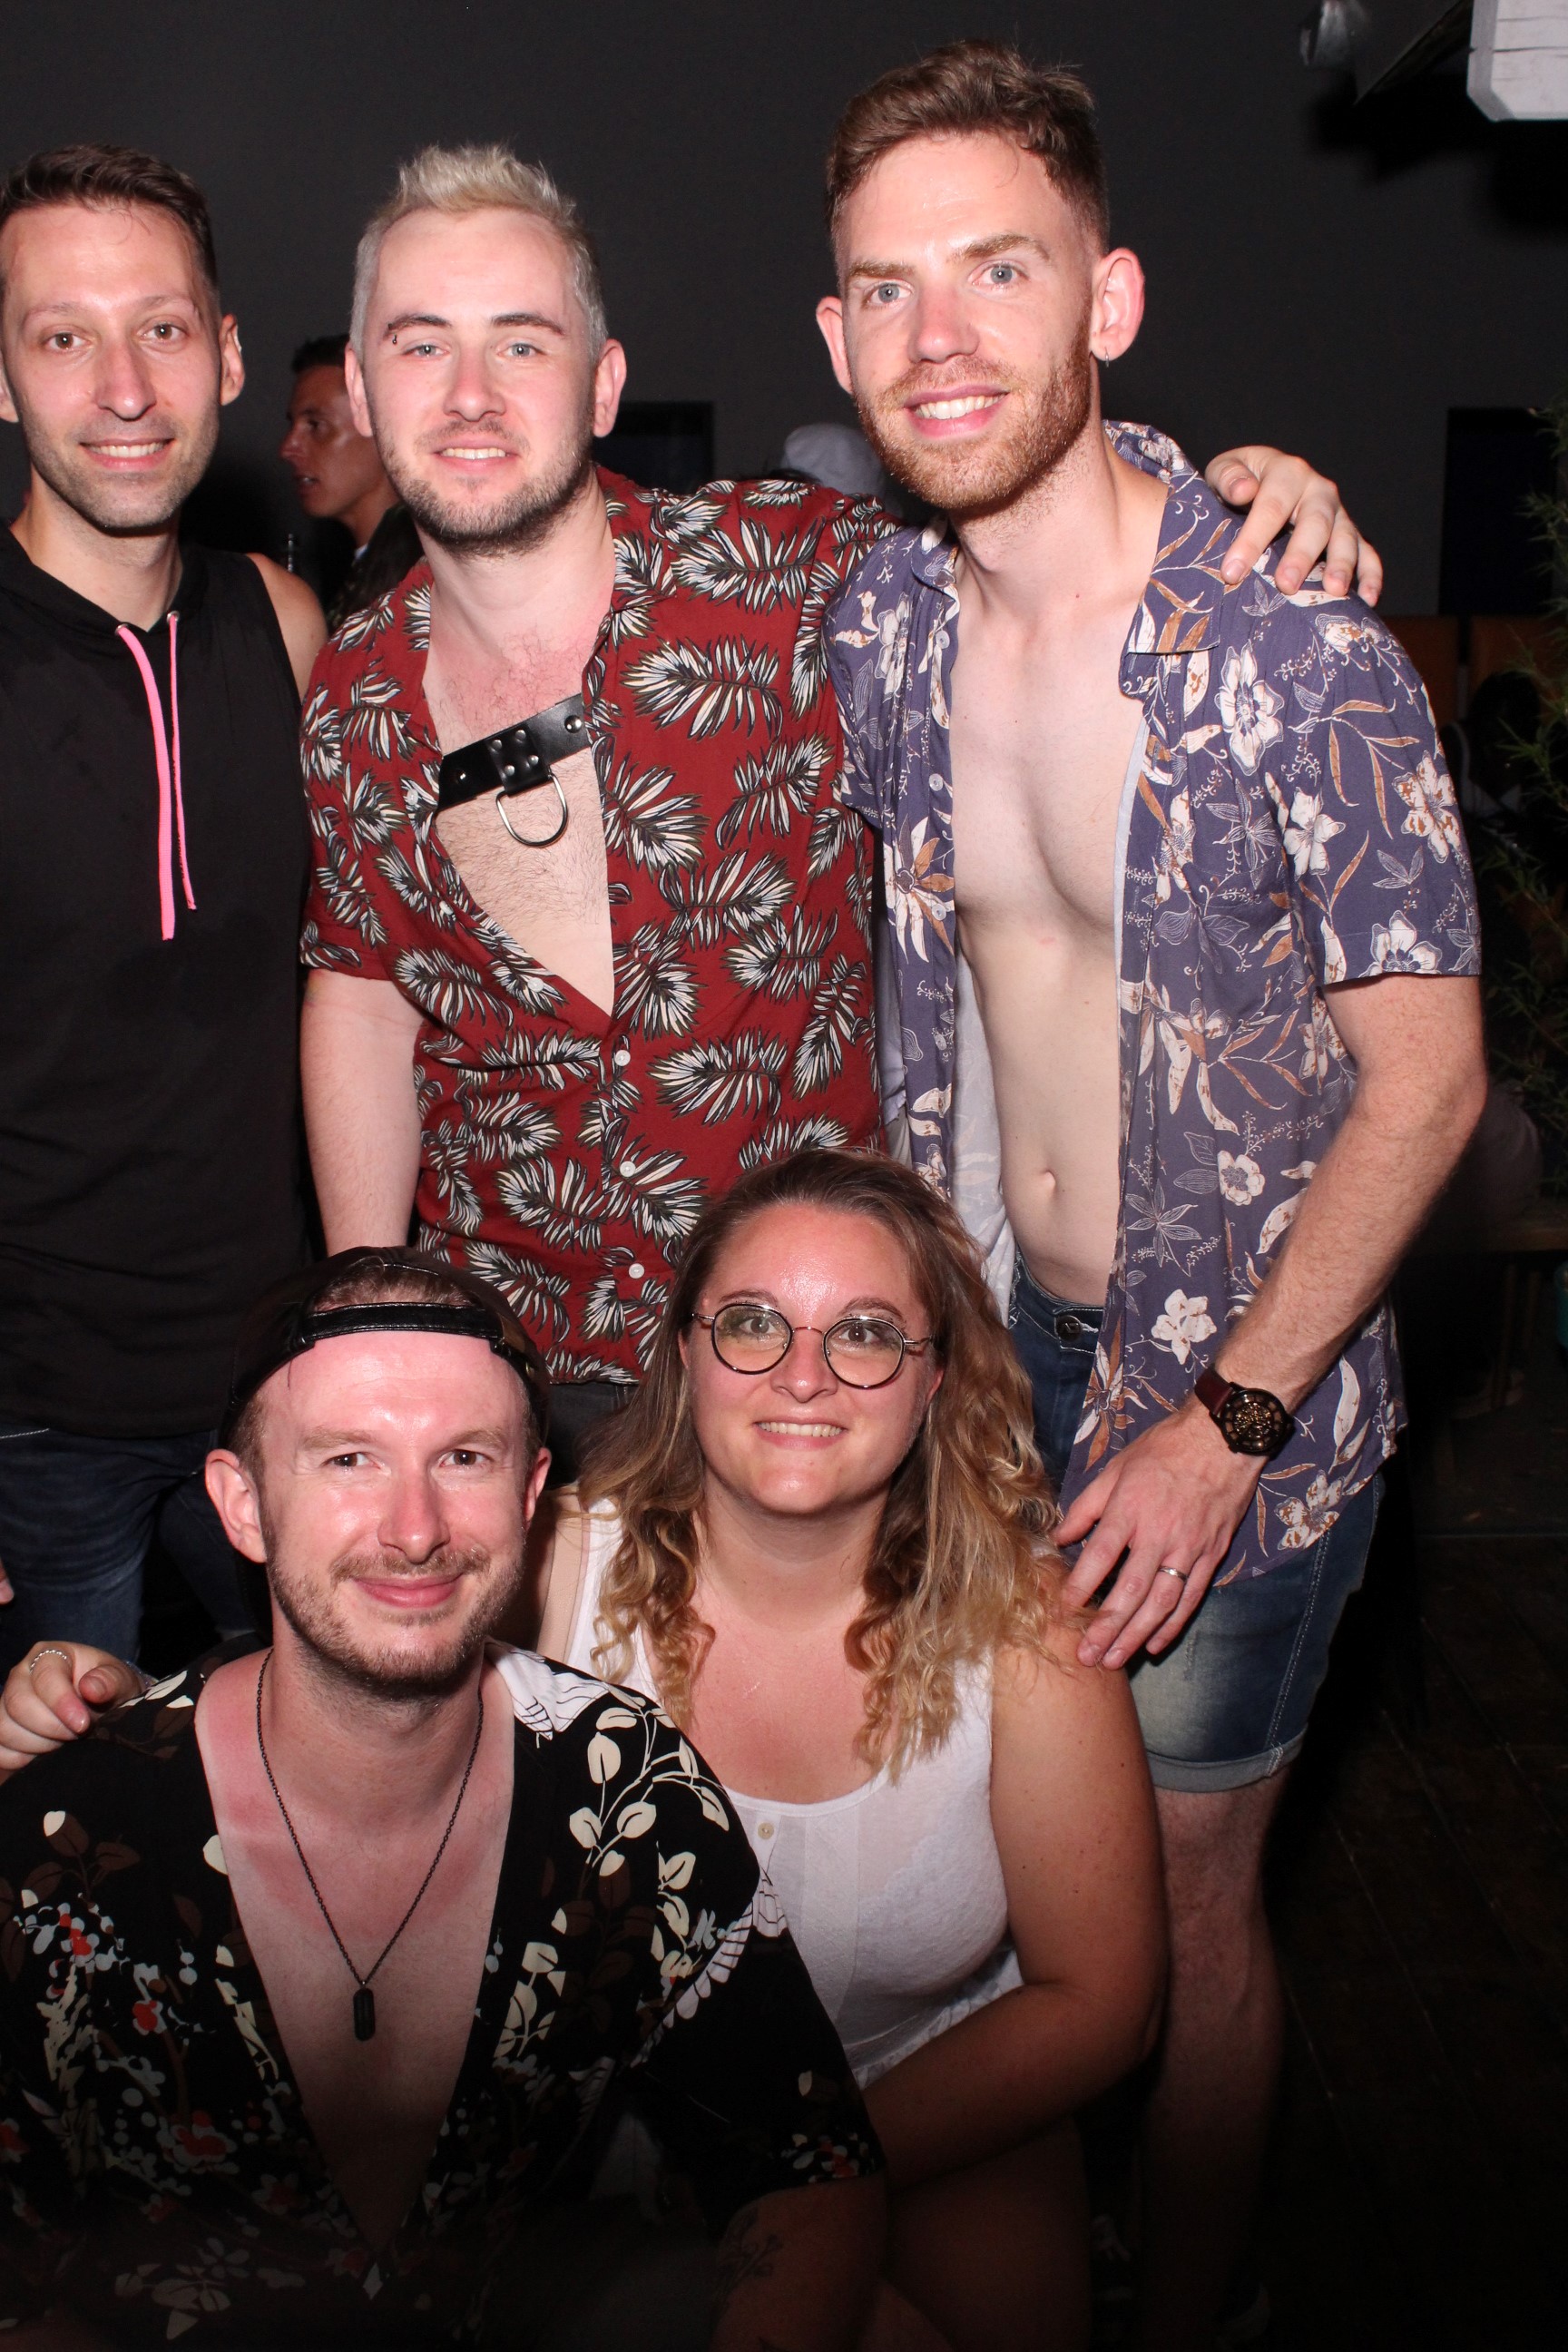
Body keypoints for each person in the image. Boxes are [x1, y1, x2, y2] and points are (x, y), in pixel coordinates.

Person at [818, 43, 1487, 2350]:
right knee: (1003, 1874)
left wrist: (1227, 1425)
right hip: (983, 1366)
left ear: (1106, 298)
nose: (938, 338)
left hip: (1241, 1387)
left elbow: (1431, 1086)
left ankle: (1189, 2312)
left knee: (1190, 1912)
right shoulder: (879, 626)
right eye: (884, 290)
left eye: (996, 272)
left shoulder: (1298, 649)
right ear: (832, 336)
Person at [299, 139, 1380, 1475]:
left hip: (804, 1366)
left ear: (603, 382)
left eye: (521, 343)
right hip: (510, 1368)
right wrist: (369, 1313)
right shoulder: (349, 694)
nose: (470, 393)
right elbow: (364, 992)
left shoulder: (800, 582)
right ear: (362, 390)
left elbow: (1042, 529)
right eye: (421, 346)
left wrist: (1229, 499)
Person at [5, 1152, 1166, 2352]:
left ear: (936, 1378)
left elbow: (1101, 2001)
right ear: (685, 1353)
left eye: (866, 1333)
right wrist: (114, 1717)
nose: (804, 1374)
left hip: (921, 2081)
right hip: (592, 2114)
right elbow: (356, 1646)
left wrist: (786, 2158)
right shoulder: (553, 1556)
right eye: (753, 1323)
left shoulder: (1030, 1631)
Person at [0, 1249, 883, 2347]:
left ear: (530, 1494)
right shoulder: (68, 1842)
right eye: (349, 1459)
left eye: (463, 1457)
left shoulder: (626, 1796)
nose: (415, 1529)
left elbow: (805, 2172)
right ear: (243, 1504)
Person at [0, 144, 326, 1676]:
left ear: (228, 357)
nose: (124, 388)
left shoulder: (285, 620)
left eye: (164, 330)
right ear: (4, 377)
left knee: (333, 1779)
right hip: (33, 1416)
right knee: (65, 1805)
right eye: (63, 336)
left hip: (279, 1389)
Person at [280, 330, 420, 625]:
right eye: (293, 425)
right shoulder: (364, 577)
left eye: (316, 425)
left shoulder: (421, 588)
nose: (288, 448)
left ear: (380, 428)